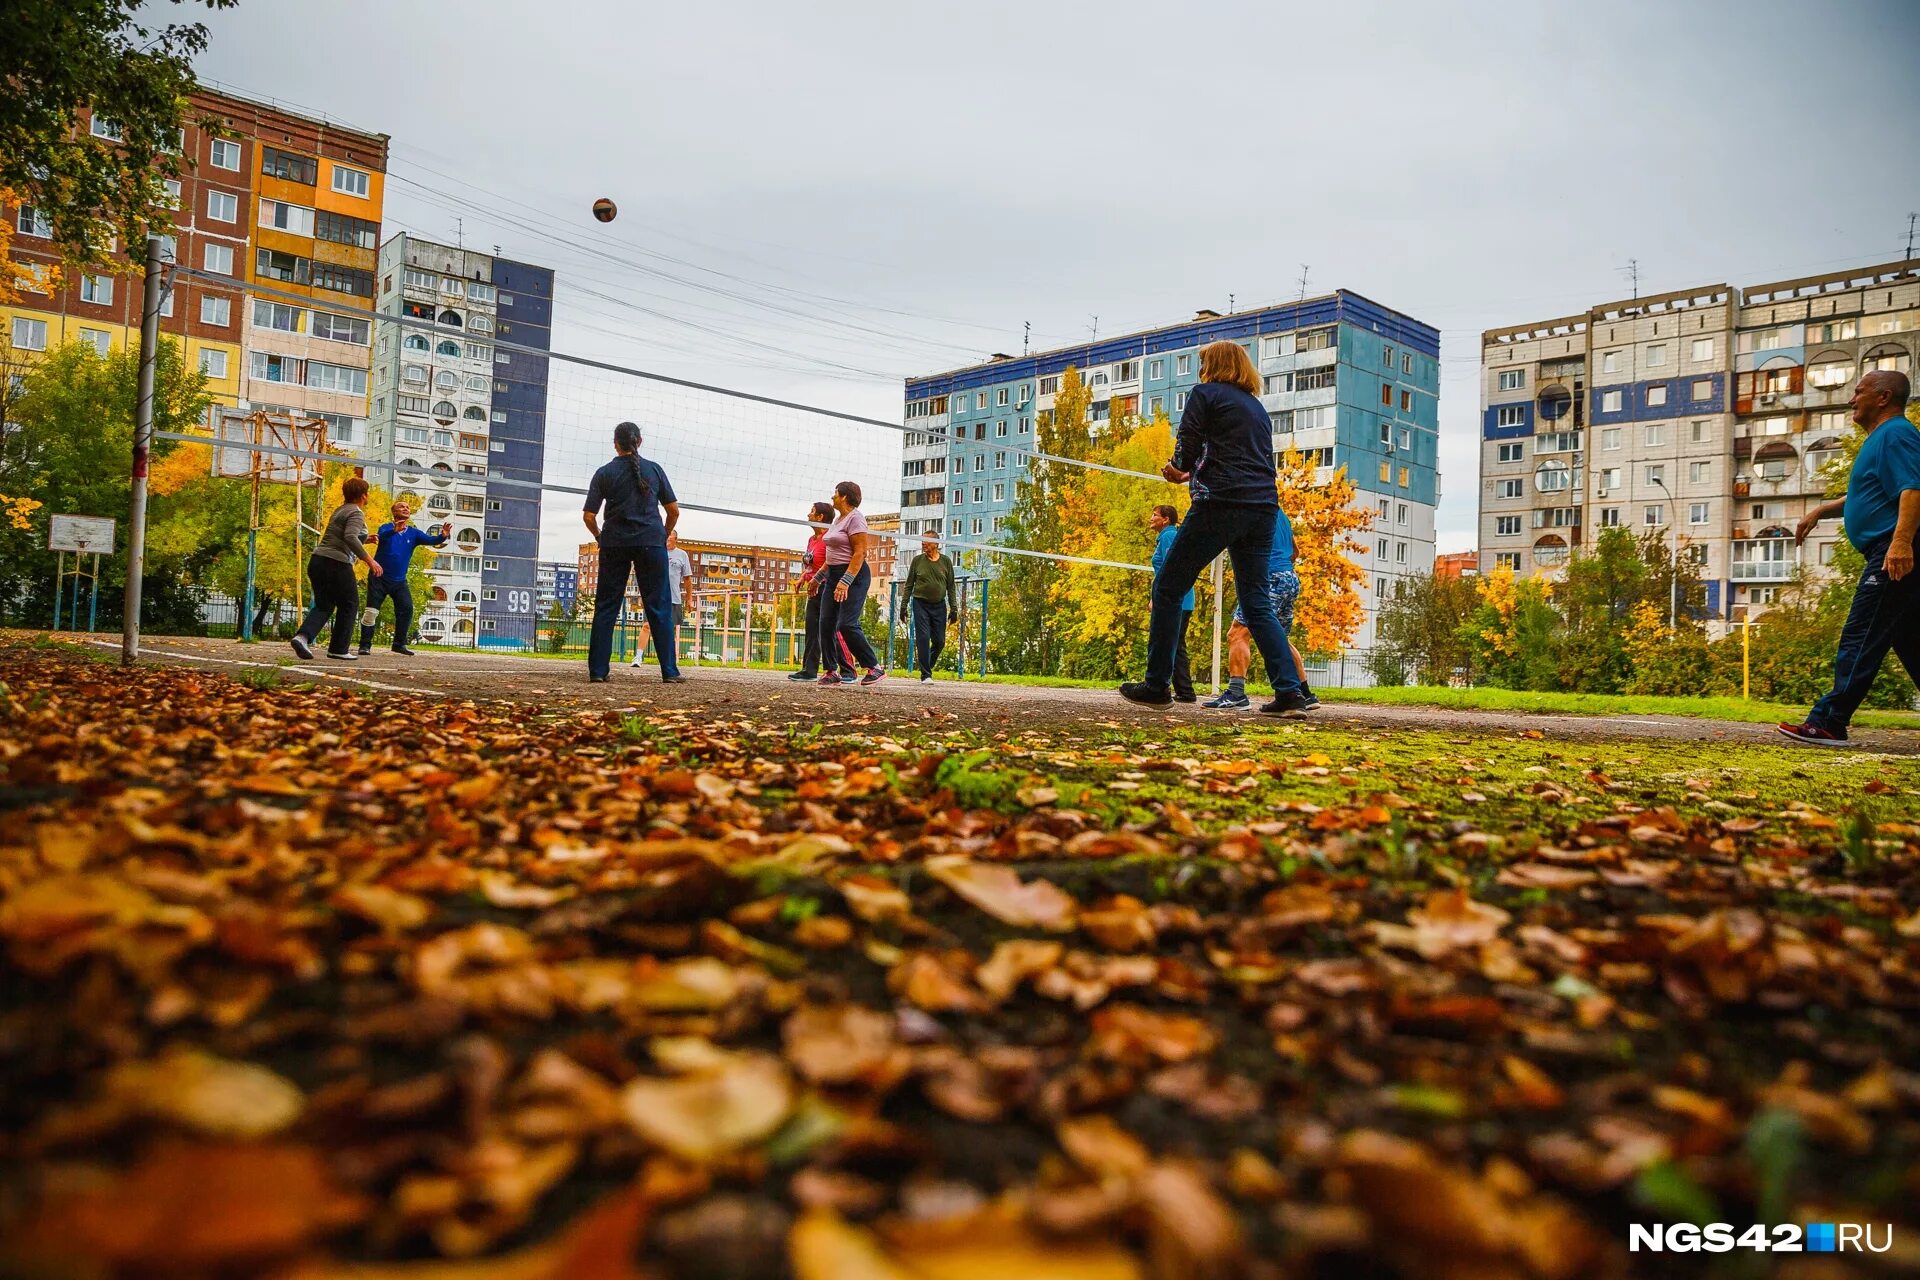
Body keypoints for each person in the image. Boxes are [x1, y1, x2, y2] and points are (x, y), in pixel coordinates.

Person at [1121, 340, 1308, 714]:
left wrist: (1176, 470)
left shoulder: (1205, 395)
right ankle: (1290, 692)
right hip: (1262, 508)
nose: (1200, 368)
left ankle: (1157, 685)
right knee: (1256, 602)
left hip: (1220, 503)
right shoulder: (1256, 408)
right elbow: (1242, 458)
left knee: (1169, 585)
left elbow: (1187, 445)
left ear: (1214, 364)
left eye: (1203, 361)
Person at [1777, 369, 1919, 746]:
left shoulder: (1896, 434)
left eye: (1859, 392)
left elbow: (1912, 490)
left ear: (1884, 397)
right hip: (1893, 549)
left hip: (1894, 551)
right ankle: (1830, 718)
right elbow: (1867, 494)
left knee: (1862, 633)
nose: (1852, 399)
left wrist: (1901, 542)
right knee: (1909, 639)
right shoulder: (1881, 439)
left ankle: (1829, 721)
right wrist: (1821, 510)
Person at [583, 421, 684, 684]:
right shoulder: (654, 470)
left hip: (614, 542)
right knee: (658, 606)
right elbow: (673, 511)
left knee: (606, 605)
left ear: (615, 443)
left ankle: (598, 671)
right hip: (651, 541)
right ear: (639, 441)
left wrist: (599, 537)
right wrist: (663, 534)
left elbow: (589, 516)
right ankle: (669, 672)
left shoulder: (604, 473)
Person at [1199, 507, 1319, 711]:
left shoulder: (1252, 508)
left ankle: (1236, 693)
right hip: (1289, 577)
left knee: (1237, 633)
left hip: (1270, 578)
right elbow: (1295, 551)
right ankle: (1305, 693)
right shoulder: (1280, 514)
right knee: (1278, 639)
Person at [291, 476, 381, 661]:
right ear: (364, 495)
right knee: (350, 604)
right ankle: (339, 649)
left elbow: (342, 536)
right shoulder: (356, 512)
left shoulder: (339, 510)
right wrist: (370, 560)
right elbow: (349, 537)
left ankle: (302, 637)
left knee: (325, 604)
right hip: (336, 563)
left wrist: (365, 539)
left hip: (318, 561)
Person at [817, 480, 886, 686]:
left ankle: (874, 667)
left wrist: (845, 581)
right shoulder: (838, 519)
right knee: (825, 623)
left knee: (846, 624)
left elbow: (860, 553)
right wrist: (817, 578)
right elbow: (832, 556)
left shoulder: (856, 518)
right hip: (834, 575)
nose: (832, 497)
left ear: (845, 496)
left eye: (835, 493)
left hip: (854, 576)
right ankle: (831, 671)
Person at [357, 501, 448, 656]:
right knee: (371, 612)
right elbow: (382, 537)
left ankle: (399, 644)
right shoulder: (386, 527)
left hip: (399, 581)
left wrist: (443, 536)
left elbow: (431, 540)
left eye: (407, 507)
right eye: (401, 507)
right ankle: (364, 645)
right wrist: (394, 530)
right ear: (394, 512)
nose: (406, 508)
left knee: (406, 609)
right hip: (379, 577)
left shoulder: (414, 533)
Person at [1148, 505, 1197, 703]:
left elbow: (1173, 568)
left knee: (1172, 644)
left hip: (1178, 600)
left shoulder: (1169, 536)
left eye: (1155, 515)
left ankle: (1184, 691)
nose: (1151, 518)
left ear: (1166, 519)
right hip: (1177, 598)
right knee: (1175, 644)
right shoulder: (1166, 536)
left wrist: (1159, 598)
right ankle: (1185, 691)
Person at [900, 531, 958, 683]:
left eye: (926, 541)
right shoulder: (917, 561)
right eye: (922, 540)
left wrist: (954, 609)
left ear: (936, 544)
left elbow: (951, 586)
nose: (923, 543)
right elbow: (909, 585)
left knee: (939, 642)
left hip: (939, 606)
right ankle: (926, 674)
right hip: (920, 604)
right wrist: (903, 607)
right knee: (923, 637)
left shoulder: (945, 562)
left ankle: (926, 666)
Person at [633, 530, 693, 668]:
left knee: (668, 630)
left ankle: (667, 662)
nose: (666, 538)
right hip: (655, 596)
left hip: (673, 598)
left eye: (669, 536)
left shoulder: (682, 555)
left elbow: (688, 579)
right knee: (647, 626)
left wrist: (689, 599)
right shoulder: (656, 552)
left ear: (675, 538)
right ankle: (638, 657)